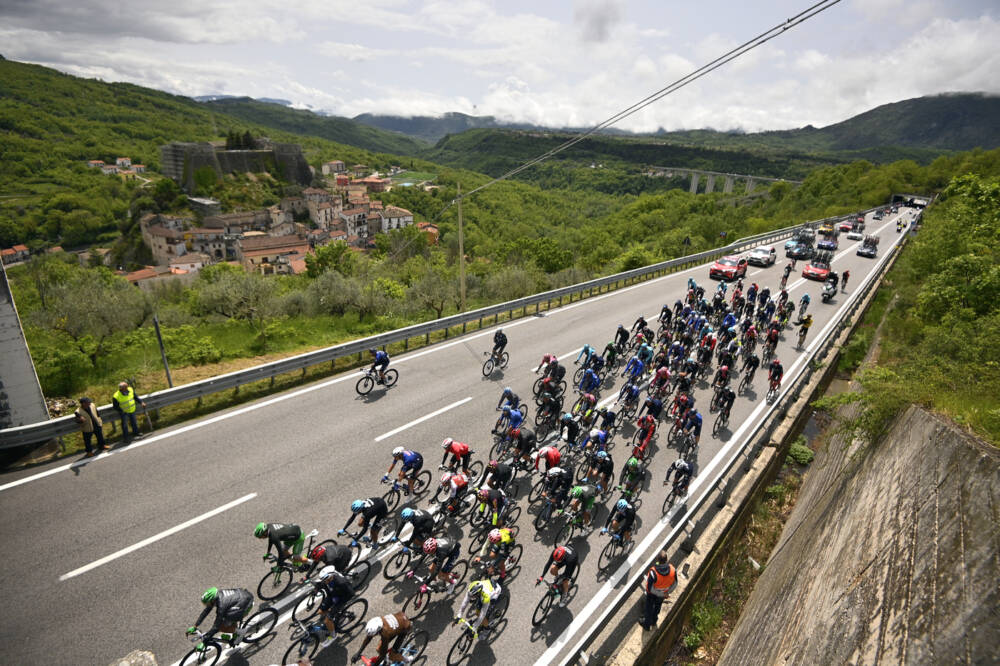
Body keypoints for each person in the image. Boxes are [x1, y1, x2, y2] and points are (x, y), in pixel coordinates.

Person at [187, 587, 254, 646]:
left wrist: (208, 636)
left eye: (207, 603)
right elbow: (206, 611)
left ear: (212, 600)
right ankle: (235, 630)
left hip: (245, 604)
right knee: (228, 615)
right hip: (243, 597)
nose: (207, 605)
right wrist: (196, 625)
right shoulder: (218, 595)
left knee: (222, 627)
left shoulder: (221, 606)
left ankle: (241, 632)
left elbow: (216, 625)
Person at [314, 566, 356, 646]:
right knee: (320, 611)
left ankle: (333, 636)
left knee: (327, 620)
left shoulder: (341, 582)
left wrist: (338, 602)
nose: (325, 582)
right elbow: (319, 584)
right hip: (332, 595)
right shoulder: (326, 578)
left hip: (341, 598)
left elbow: (351, 594)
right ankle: (336, 618)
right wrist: (316, 590)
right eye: (324, 581)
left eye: (327, 580)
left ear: (331, 577)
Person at [639, 551, 677, 630]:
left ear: (657, 560)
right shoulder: (673, 570)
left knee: (649, 608)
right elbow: (675, 584)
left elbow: (650, 588)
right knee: (657, 607)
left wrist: (660, 593)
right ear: (666, 559)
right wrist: (666, 592)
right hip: (663, 594)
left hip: (653, 594)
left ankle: (646, 625)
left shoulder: (653, 572)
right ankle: (654, 621)